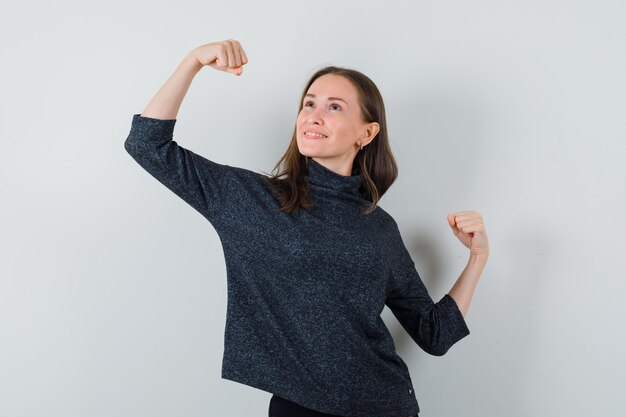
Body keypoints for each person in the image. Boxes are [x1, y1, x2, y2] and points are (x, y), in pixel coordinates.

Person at [124, 39, 489, 417]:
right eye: (309, 104)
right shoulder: (252, 199)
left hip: (388, 406)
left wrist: (477, 258)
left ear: (366, 134)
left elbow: (435, 333)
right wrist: (193, 62)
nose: (313, 115)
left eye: (334, 107)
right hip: (299, 408)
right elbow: (147, 145)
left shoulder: (379, 227)